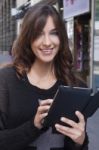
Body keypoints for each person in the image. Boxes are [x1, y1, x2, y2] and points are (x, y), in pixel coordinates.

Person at [0, 2, 88, 150]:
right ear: (28, 37)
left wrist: (80, 141)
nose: (47, 42)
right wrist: (34, 126)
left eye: (54, 33)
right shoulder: (6, 81)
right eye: (39, 34)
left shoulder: (75, 86)